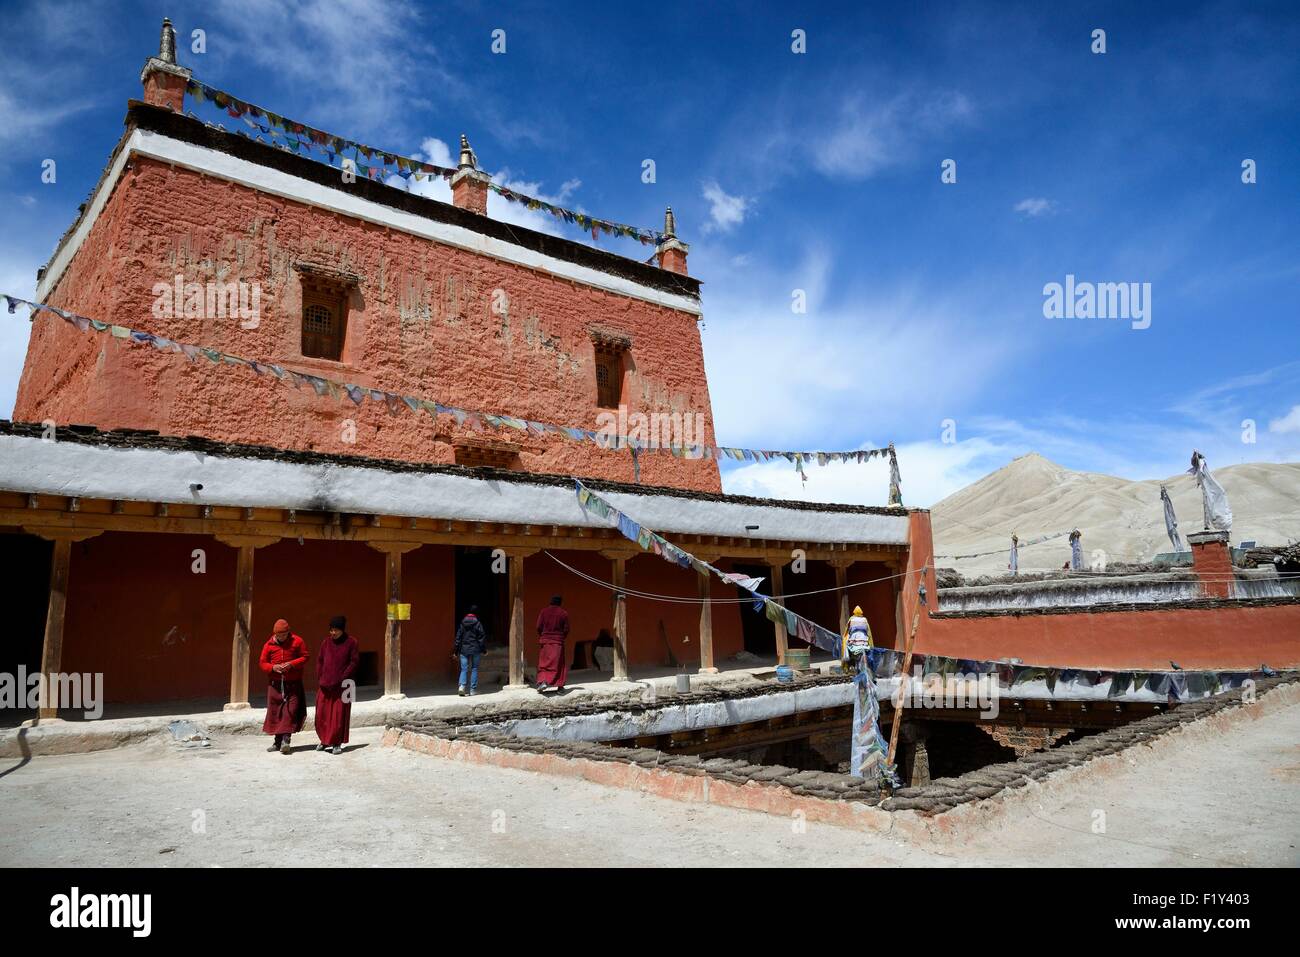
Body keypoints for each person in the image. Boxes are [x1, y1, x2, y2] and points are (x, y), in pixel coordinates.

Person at [260, 619, 309, 754]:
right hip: (275, 685)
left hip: (293, 684)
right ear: (274, 634)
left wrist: (292, 664)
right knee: (276, 713)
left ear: (288, 632)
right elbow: (262, 663)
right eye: (279, 635)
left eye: (284, 635)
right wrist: (273, 667)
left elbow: (305, 657)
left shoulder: (297, 641)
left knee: (290, 711)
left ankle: (286, 740)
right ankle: (277, 742)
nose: (281, 637)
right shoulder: (268, 645)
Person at [315, 615, 359, 755]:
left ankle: (336, 743)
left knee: (339, 716)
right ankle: (324, 740)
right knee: (322, 714)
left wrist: (342, 677)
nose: (333, 633)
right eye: (331, 630)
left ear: (342, 630)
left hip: (344, 685)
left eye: (336, 630)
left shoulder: (352, 642)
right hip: (325, 685)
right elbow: (320, 661)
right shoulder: (326, 642)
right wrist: (321, 677)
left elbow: (354, 662)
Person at [535, 595, 570, 694]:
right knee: (558, 664)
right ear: (560, 603)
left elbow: (538, 626)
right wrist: (561, 638)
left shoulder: (543, 612)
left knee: (544, 663)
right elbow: (566, 629)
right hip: (557, 642)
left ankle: (542, 681)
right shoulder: (563, 613)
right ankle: (559, 687)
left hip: (545, 641)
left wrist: (543, 636)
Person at [454, 605, 487, 696]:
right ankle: (472, 690)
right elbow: (481, 638)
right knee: (474, 668)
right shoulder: (478, 623)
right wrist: (484, 650)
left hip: (464, 649)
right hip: (475, 649)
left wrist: (455, 651)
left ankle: (462, 687)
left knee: (464, 669)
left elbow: (458, 638)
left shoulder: (462, 623)